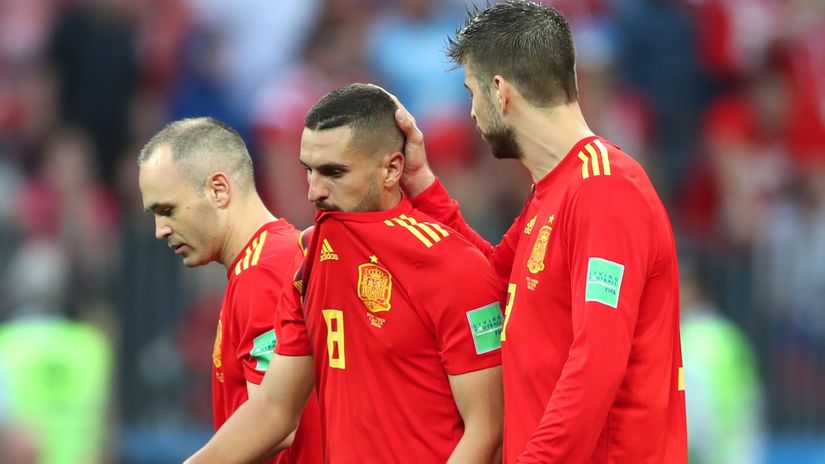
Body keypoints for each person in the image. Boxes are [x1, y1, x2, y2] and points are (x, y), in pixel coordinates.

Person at [391, 1, 688, 462]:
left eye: (471, 93)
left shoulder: (604, 189)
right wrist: (423, 186)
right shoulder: (555, 191)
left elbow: (597, 361)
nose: (471, 113)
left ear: (500, 91)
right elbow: (488, 281)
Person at [186, 83, 504, 463]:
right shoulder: (312, 257)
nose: (314, 192)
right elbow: (274, 407)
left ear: (391, 169)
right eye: (309, 171)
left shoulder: (454, 266)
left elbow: (487, 430)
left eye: (333, 172)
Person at [137, 117, 322, 463]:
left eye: (168, 210)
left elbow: (275, 417)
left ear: (219, 190)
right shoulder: (269, 258)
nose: (160, 230)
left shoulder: (264, 270)